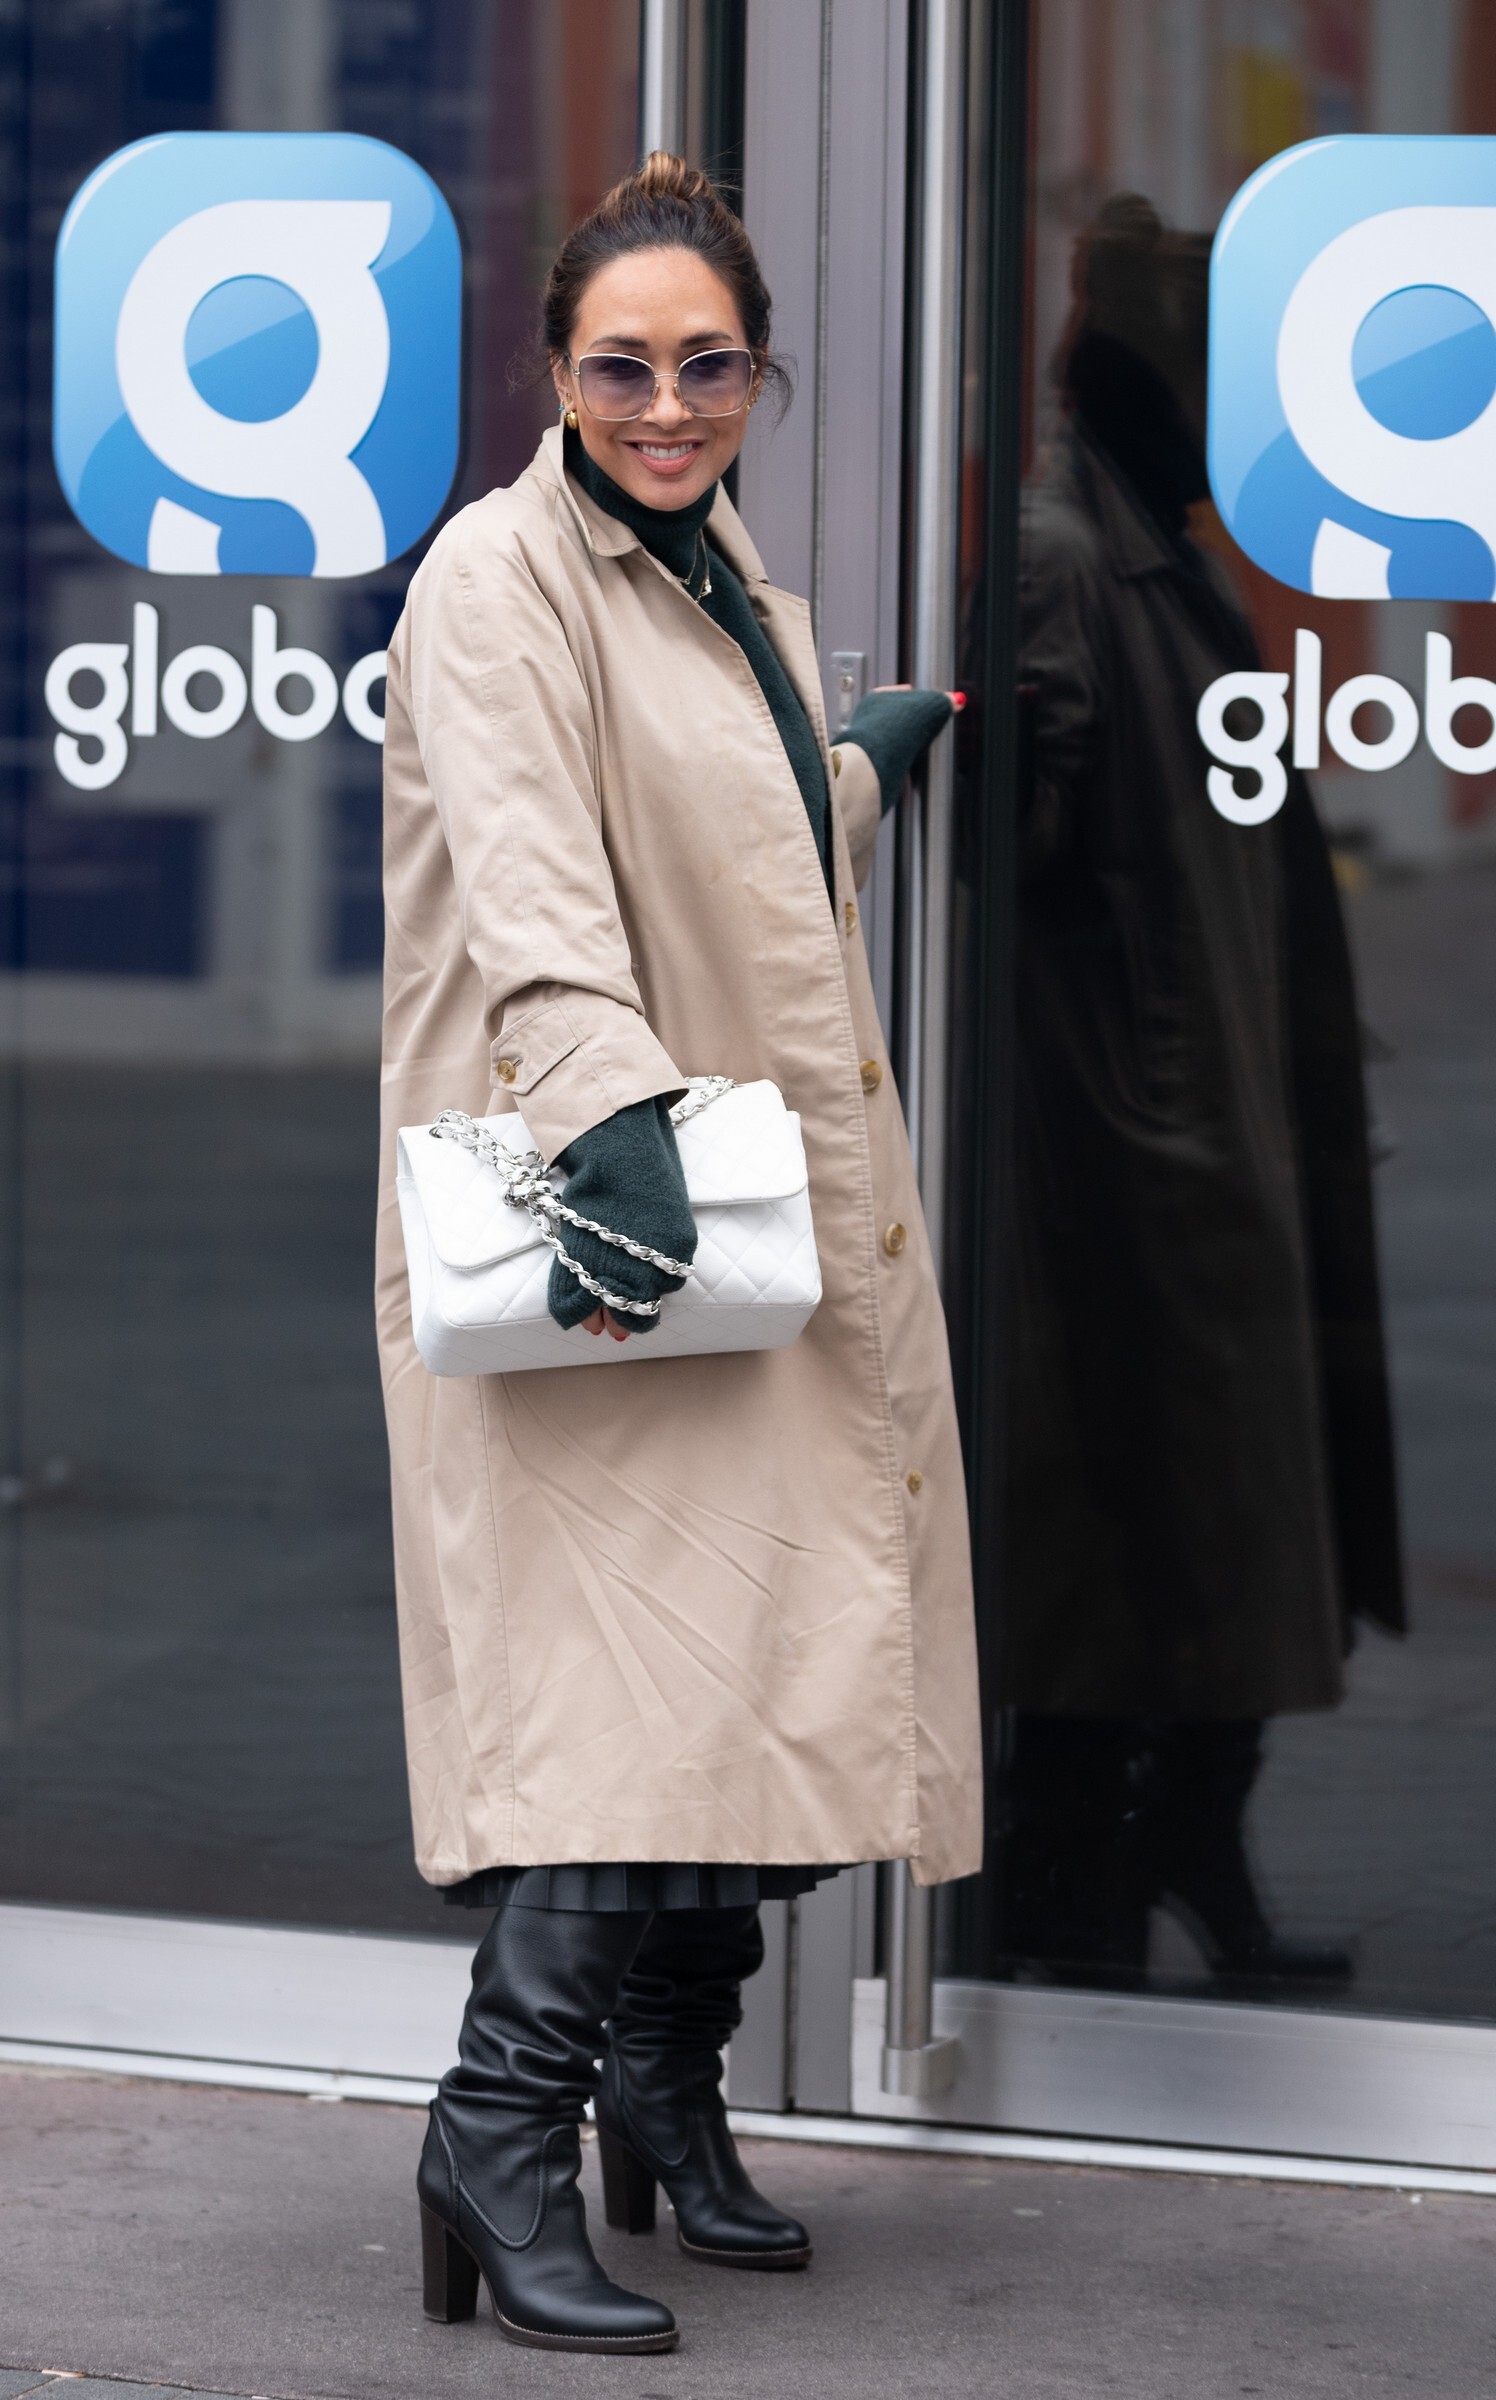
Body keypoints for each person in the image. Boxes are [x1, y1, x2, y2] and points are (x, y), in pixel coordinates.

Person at [376, 152, 981, 2356]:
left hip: (734, 1204)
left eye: (707, 367)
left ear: (758, 377)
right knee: (627, 1702)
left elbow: (719, 838)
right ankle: (494, 2135)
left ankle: (665, 2089)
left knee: (760, 1662)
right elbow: (537, 879)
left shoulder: (717, 576)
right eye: (622, 368)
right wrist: (608, 1127)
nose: (665, 405)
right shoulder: (496, 576)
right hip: (616, 1216)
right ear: (555, 374)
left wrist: (854, 767)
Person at [993, 195, 1403, 1992]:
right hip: (1135, 1152)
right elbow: (1015, 853)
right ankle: (1070, 1888)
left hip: (1212, 1115)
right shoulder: (1068, 556)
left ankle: (1182, 1850)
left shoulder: (1149, 542)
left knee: (1228, 1531)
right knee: (1144, 1538)